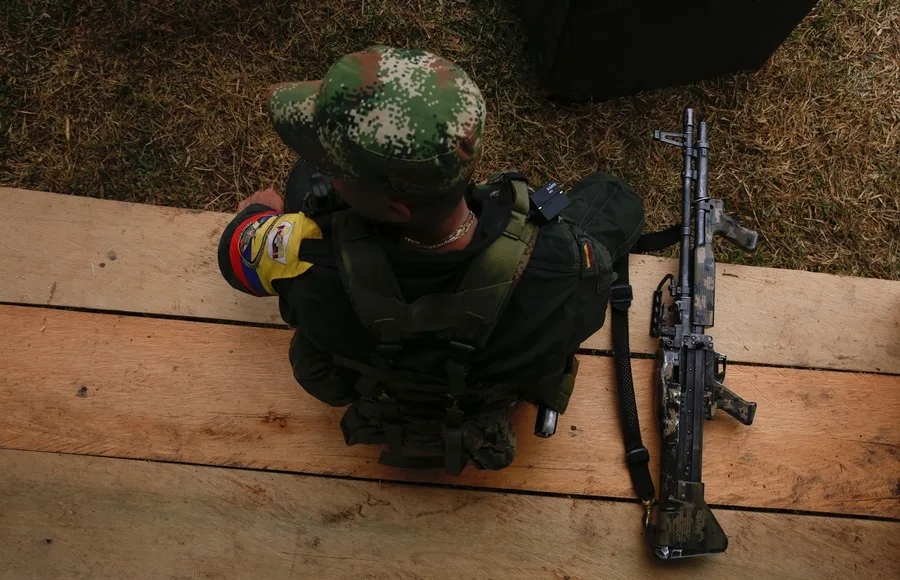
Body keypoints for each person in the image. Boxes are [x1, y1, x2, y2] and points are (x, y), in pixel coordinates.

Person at [218, 46, 644, 474]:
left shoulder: (306, 257)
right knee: (614, 196)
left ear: (395, 208)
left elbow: (235, 257)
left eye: (336, 171)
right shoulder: (562, 267)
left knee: (301, 180)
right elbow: (581, 317)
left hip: (366, 377)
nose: (328, 174)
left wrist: (259, 214)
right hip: (485, 390)